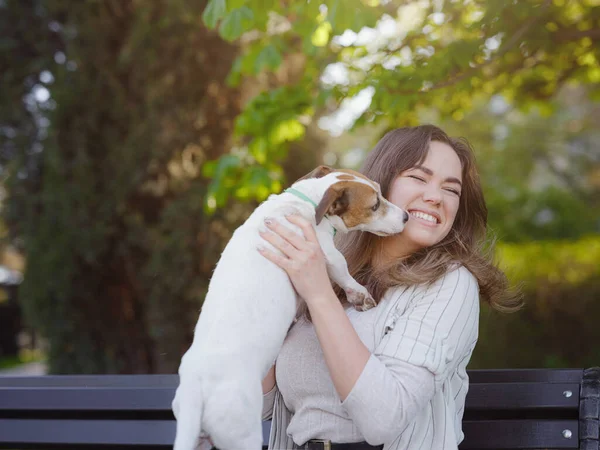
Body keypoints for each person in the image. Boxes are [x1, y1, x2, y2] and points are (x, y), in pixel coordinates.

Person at [257, 125, 522, 450]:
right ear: (378, 183)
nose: (435, 197)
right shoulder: (326, 266)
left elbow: (383, 419)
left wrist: (318, 294)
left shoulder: (451, 284)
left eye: (451, 190)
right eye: (419, 178)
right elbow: (261, 405)